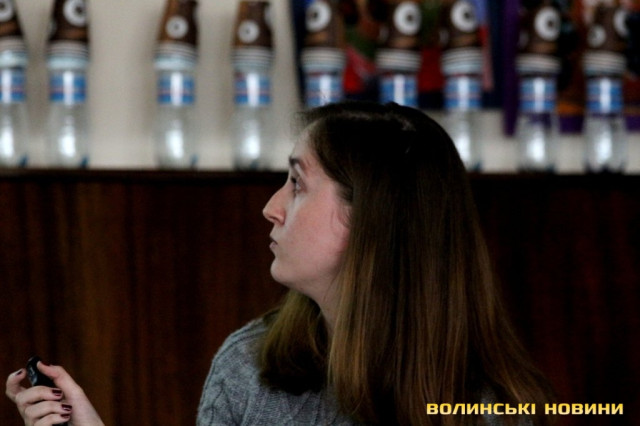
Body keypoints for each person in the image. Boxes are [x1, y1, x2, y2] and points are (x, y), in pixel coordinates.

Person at [6, 101, 554, 425]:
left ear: (371, 218)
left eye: (297, 183)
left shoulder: (493, 410)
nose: (271, 207)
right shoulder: (250, 364)